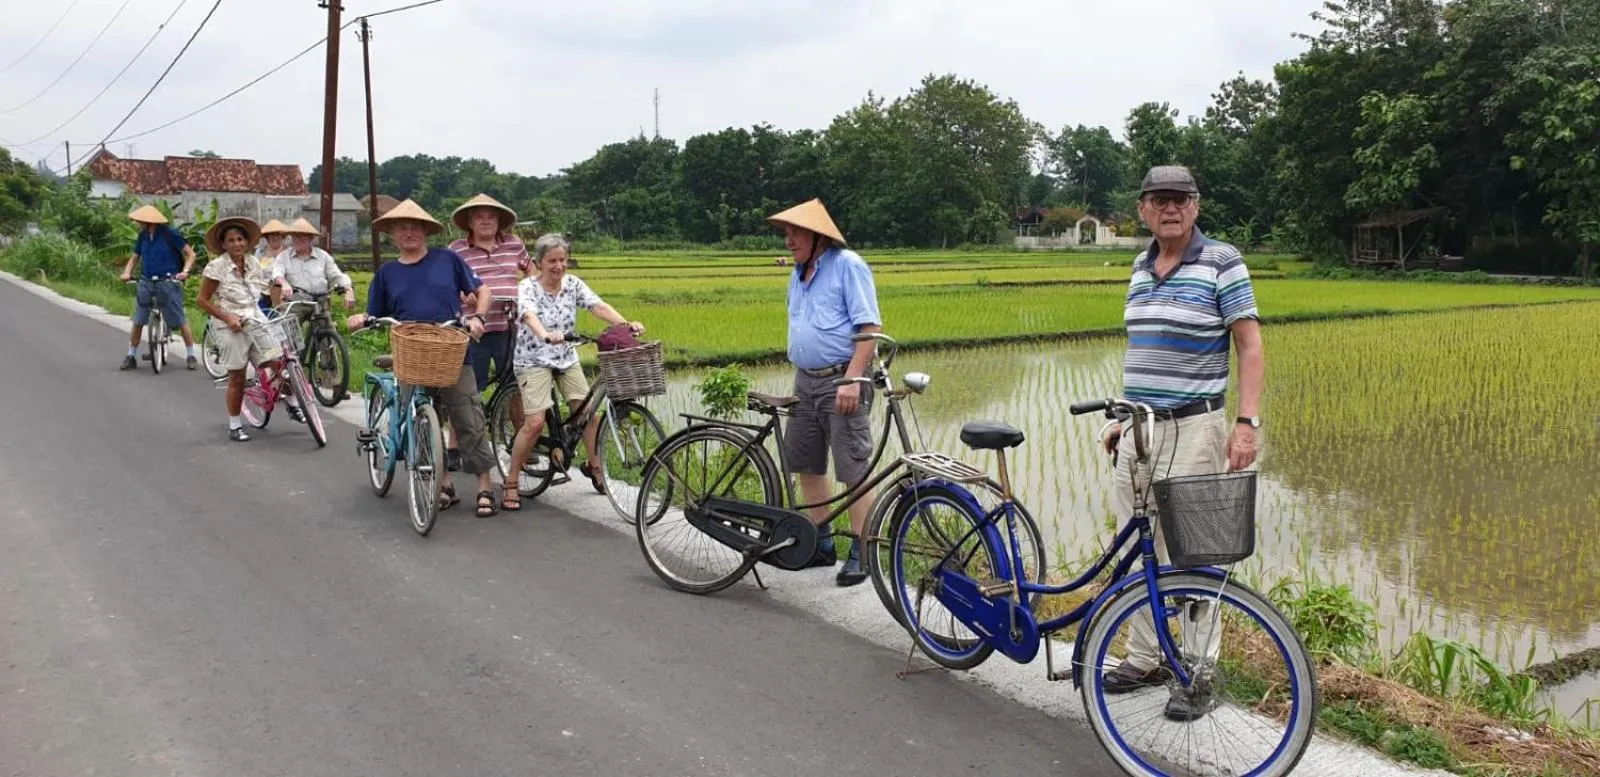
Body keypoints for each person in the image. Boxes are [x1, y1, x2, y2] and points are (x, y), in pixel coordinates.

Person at [1098, 165, 1265, 721]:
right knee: (1139, 546)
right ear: (1142, 209)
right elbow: (1142, 350)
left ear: (1196, 207)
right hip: (1138, 427)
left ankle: (1198, 671)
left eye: (1181, 199)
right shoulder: (1140, 266)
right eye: (1159, 199)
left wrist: (1246, 422)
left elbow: (1248, 346)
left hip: (1194, 428)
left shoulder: (1222, 261)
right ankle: (1145, 656)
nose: (1170, 208)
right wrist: (1123, 416)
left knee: (1193, 555)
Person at [345, 199, 500, 518]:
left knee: (468, 417)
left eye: (415, 227)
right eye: (402, 227)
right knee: (420, 418)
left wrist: (479, 318)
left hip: (452, 348)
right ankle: (443, 483)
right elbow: (374, 312)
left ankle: (484, 484)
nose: (409, 232)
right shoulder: (387, 273)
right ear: (393, 235)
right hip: (411, 352)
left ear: (426, 231)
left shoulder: (448, 260)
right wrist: (361, 318)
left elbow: (482, 291)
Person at [768, 198, 882, 587]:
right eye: (786, 233)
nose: (788, 240)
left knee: (852, 467)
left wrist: (852, 378)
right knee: (806, 462)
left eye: (794, 232)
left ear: (817, 236)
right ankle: (821, 543)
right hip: (805, 380)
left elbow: (869, 328)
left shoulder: (847, 265)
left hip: (840, 379)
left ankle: (862, 552)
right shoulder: (798, 273)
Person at [501, 234, 643, 512]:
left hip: (566, 357)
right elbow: (528, 315)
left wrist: (625, 323)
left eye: (563, 260)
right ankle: (511, 480)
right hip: (534, 358)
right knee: (535, 423)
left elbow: (596, 305)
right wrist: (544, 334)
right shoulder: (527, 287)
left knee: (589, 413)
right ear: (539, 262)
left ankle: (595, 468)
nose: (558, 266)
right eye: (552, 260)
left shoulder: (573, 284)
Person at [444, 193, 530, 471]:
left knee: (516, 387)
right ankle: (455, 445)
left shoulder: (514, 244)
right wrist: (463, 295)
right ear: (469, 222)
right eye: (479, 216)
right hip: (473, 330)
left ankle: (521, 443)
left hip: (509, 326)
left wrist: (526, 294)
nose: (485, 221)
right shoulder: (456, 249)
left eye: (490, 216)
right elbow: (445, 284)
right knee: (468, 390)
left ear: (499, 221)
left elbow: (532, 272)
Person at [194, 217, 299, 442]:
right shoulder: (216, 267)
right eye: (231, 240)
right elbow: (202, 300)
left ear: (247, 242)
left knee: (279, 361)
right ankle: (235, 425)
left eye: (240, 239)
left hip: (255, 320)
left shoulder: (253, 263)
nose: (236, 244)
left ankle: (292, 403)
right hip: (230, 326)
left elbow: (260, 291)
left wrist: (278, 302)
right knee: (238, 377)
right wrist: (227, 316)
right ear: (224, 244)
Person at [119, 205, 200, 371]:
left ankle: (191, 354)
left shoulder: (170, 234)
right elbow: (135, 258)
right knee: (139, 320)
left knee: (179, 319)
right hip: (146, 280)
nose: (137, 223)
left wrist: (185, 271)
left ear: (149, 222)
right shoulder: (142, 236)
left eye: (140, 221)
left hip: (168, 280)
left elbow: (190, 254)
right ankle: (131, 355)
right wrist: (127, 272)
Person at [273, 217, 356, 314]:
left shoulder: (323, 256)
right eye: (295, 236)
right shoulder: (284, 256)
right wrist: (284, 284)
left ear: (310, 238)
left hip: (320, 303)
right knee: (287, 327)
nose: (298, 240)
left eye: (303, 236)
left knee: (327, 328)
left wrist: (349, 290)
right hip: (294, 304)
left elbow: (336, 275)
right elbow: (277, 273)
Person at [256, 219, 291, 313]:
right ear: (267, 237)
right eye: (271, 235)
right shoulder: (260, 252)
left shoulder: (288, 252)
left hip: (283, 296)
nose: (274, 237)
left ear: (282, 236)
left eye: (277, 234)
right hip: (263, 294)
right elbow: (255, 271)